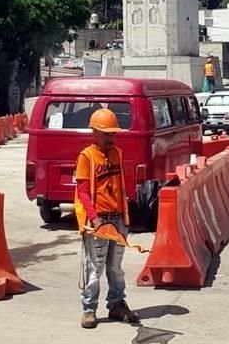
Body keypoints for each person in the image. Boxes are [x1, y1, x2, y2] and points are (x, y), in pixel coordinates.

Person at [75, 108, 139, 329]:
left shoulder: (118, 154)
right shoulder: (87, 157)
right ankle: (89, 309)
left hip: (118, 219)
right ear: (94, 133)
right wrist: (94, 219)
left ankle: (117, 304)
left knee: (115, 267)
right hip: (99, 220)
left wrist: (127, 215)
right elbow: (83, 191)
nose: (111, 138)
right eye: (106, 134)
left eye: (113, 134)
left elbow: (122, 186)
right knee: (95, 267)